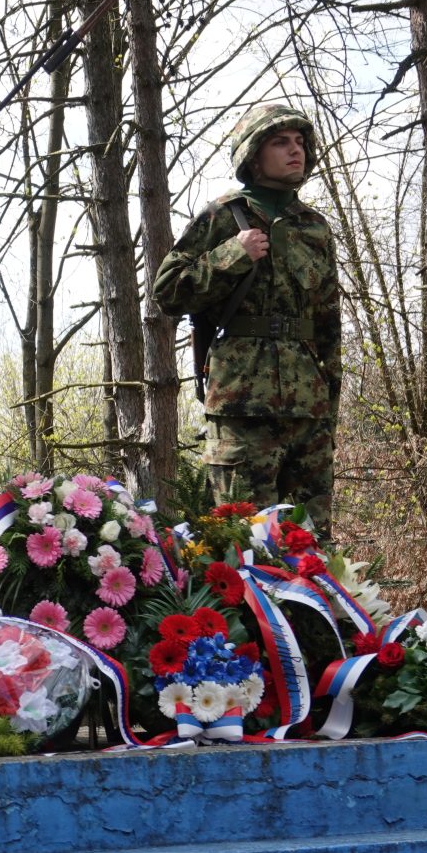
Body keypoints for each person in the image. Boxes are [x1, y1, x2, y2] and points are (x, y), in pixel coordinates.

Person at [153, 103, 340, 535]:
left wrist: (329, 410)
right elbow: (167, 292)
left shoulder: (314, 227)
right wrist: (231, 254)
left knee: (313, 546)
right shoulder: (222, 215)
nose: (296, 151)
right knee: (245, 541)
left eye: (300, 142)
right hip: (241, 407)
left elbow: (329, 322)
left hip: (307, 412)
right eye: (281, 142)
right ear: (253, 155)